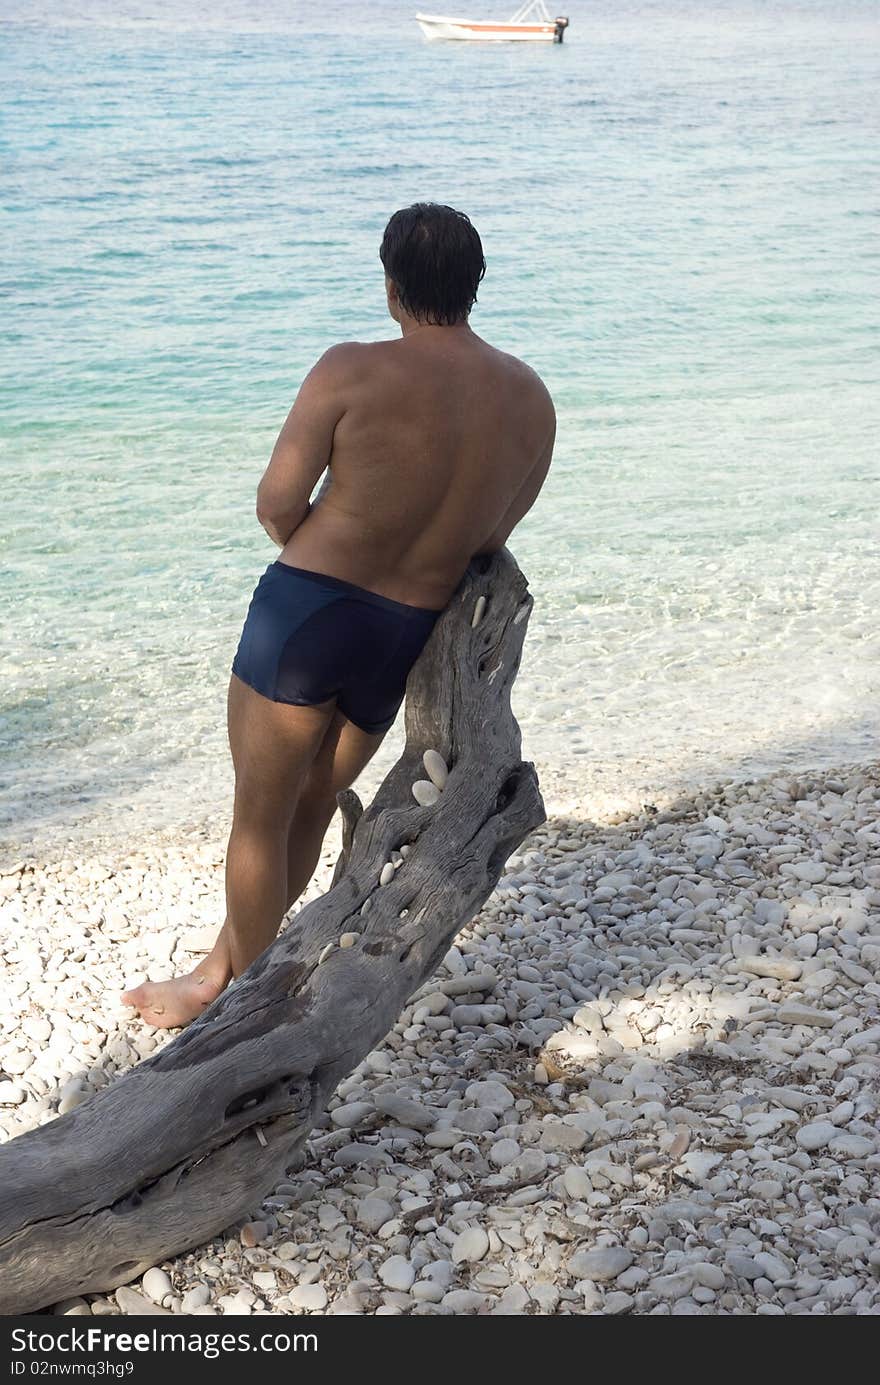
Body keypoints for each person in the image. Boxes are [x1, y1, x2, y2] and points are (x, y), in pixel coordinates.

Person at [122, 202, 555, 1027]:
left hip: (311, 613)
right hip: (401, 634)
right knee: (315, 800)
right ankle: (222, 972)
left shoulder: (350, 370)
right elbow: (490, 540)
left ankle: (243, 1020)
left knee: (258, 816)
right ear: (477, 285)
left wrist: (317, 551)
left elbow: (277, 502)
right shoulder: (530, 399)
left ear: (391, 286)